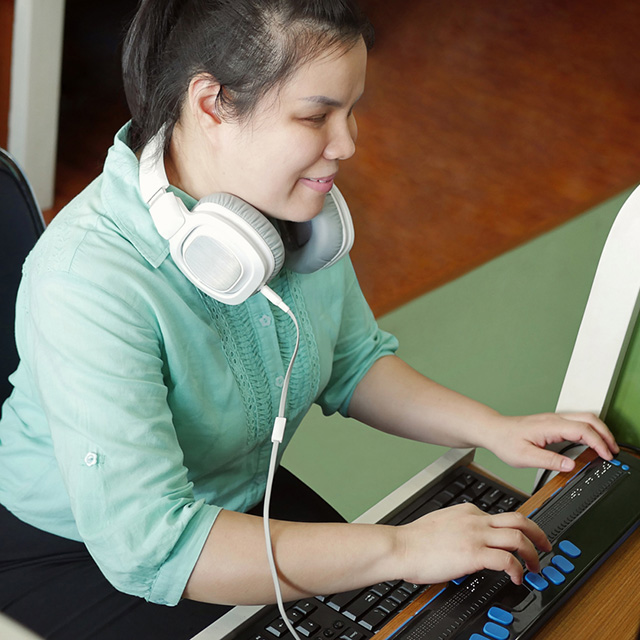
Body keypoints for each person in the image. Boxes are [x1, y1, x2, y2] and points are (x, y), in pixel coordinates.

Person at [0, 1, 618, 639]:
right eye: (316, 115)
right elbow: (154, 544)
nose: (347, 144)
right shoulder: (87, 278)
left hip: (235, 502)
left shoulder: (289, 214)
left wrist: (494, 428)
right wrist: (401, 548)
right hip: (81, 549)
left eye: (350, 111)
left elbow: (353, 360)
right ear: (211, 103)